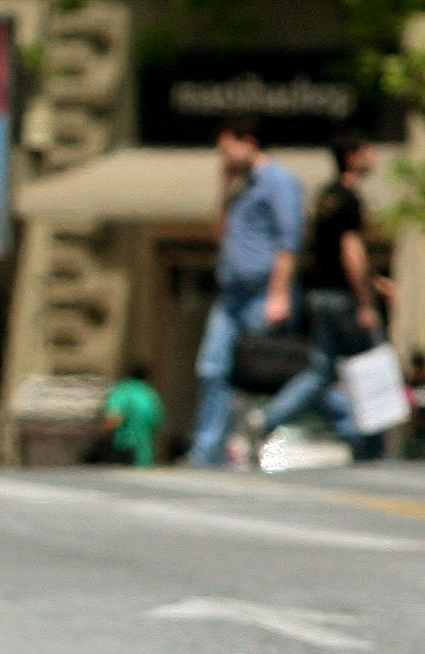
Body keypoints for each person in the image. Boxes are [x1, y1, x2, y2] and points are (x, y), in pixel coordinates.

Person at [249, 130, 386, 461]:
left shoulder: (326, 196)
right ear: (352, 158)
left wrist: (374, 281)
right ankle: (371, 448)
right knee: (372, 366)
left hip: (320, 293)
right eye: (367, 152)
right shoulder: (349, 197)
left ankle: (268, 418)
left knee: (320, 371)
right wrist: (366, 300)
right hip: (344, 297)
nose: (373, 158)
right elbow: (350, 249)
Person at [188, 114, 303, 466]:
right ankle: (206, 451)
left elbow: (290, 242)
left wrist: (279, 294)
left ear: (249, 143)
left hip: (262, 293)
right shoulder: (239, 187)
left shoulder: (279, 182)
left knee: (274, 370)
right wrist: (224, 190)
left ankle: (335, 425)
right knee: (213, 368)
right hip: (231, 295)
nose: (223, 157)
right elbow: (218, 238)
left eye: (227, 149)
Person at [92, 364, 165, 467]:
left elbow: (113, 419)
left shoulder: (122, 392)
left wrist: (99, 438)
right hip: (144, 455)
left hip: (124, 450)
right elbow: (156, 425)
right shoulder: (151, 395)